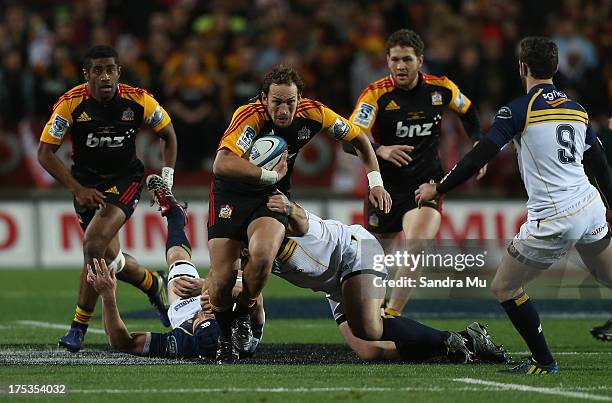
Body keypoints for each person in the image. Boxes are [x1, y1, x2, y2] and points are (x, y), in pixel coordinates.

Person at [415, 37, 612, 374]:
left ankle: (543, 361)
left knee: (504, 286)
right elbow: (601, 165)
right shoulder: (577, 110)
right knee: (606, 274)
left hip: (556, 216)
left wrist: (438, 187)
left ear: (522, 67)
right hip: (590, 204)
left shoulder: (518, 109)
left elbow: (480, 155)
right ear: (556, 68)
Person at [208, 65, 391, 362]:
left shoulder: (315, 113)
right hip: (231, 194)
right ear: (264, 98)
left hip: (271, 195)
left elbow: (359, 139)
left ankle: (244, 311)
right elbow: (222, 164)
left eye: (290, 102)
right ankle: (224, 336)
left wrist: (376, 182)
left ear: (299, 98)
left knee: (264, 254)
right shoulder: (249, 115)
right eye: (277, 101)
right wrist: (267, 175)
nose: (283, 110)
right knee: (222, 277)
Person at [37, 45, 178, 352]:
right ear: (86, 75)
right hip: (87, 186)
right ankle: (153, 283)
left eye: (110, 69)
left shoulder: (139, 100)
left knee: (92, 244)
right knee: (108, 259)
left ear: (118, 72)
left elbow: (168, 134)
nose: (105, 76)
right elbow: (44, 153)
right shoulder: (70, 105)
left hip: (125, 182)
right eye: (97, 70)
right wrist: (77, 189)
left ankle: (78, 326)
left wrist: (166, 178)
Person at [262, 191, 509, 363]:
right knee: (370, 351)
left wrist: (289, 206)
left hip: (355, 250)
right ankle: (458, 344)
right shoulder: (246, 247)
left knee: (369, 327)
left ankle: (452, 340)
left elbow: (301, 220)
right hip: (332, 284)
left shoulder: (280, 222)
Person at [347, 29, 486, 317]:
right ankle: (370, 313)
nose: (401, 66)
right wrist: (380, 150)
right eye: (395, 59)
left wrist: (477, 144)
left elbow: (469, 112)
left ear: (420, 60)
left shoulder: (442, 88)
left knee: (416, 246)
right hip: (384, 189)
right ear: (387, 61)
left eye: (407, 59)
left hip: (426, 185)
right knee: (375, 260)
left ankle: (392, 315)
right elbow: (350, 138)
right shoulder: (375, 95)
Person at [86, 175, 264, 358]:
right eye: (210, 317)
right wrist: (207, 287)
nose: (204, 312)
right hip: (230, 301)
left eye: (200, 319)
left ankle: (174, 214)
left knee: (177, 257)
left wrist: (107, 295)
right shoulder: (245, 339)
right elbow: (256, 296)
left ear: (193, 332)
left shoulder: (181, 342)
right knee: (237, 262)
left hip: (184, 313)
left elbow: (122, 342)